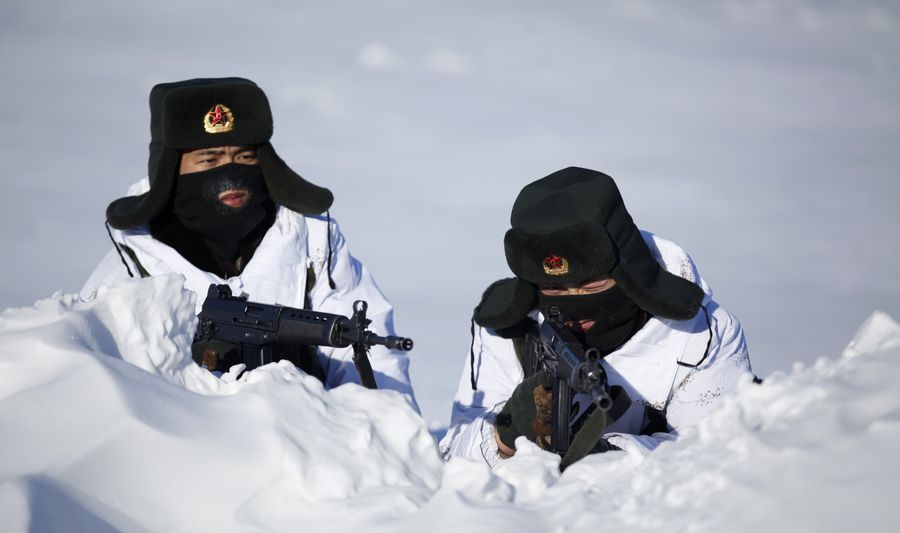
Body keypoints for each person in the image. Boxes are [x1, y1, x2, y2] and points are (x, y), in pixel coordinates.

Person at [81, 77, 414, 403]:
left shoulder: (313, 243)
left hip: (308, 436)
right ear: (170, 171)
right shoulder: (130, 269)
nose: (230, 175)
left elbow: (373, 368)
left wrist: (382, 438)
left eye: (244, 158)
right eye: (209, 160)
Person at [440, 167, 752, 467]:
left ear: (628, 273)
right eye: (554, 287)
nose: (576, 301)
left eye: (592, 283)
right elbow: (455, 458)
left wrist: (606, 454)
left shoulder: (701, 334)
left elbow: (716, 455)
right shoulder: (508, 329)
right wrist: (504, 435)